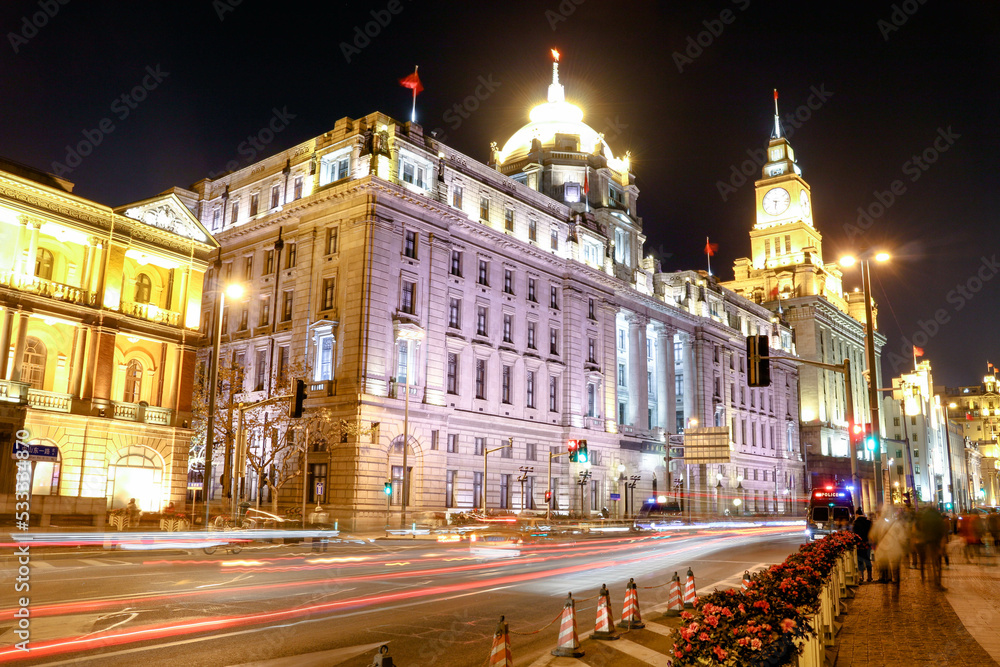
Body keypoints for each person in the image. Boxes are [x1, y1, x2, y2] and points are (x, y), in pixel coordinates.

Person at [852, 508, 873, 583]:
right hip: (867, 543)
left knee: (859, 560)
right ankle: (870, 576)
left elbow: (854, 534)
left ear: (857, 514)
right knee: (867, 559)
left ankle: (861, 576)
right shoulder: (868, 522)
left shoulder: (855, 523)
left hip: (859, 544)